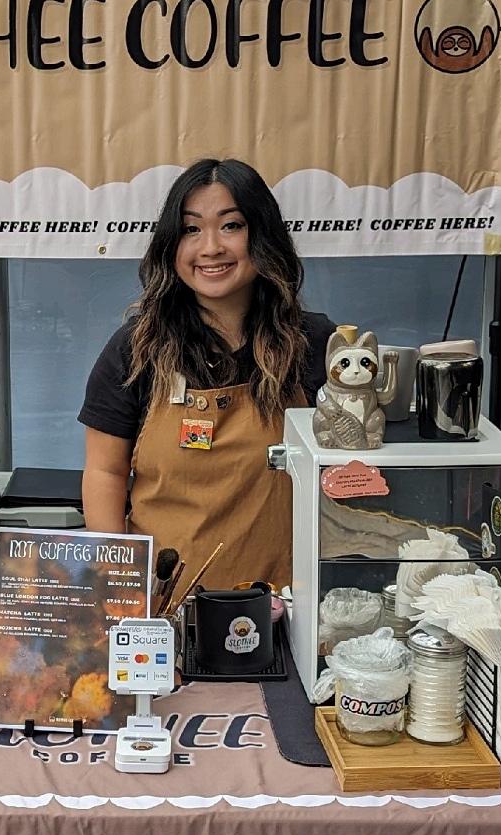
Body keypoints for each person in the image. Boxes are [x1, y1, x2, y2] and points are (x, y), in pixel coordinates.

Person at [80, 160, 332, 590]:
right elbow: (105, 472)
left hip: (284, 604)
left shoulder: (313, 343)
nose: (210, 247)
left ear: (262, 234)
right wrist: (118, 582)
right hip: (164, 606)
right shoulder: (136, 349)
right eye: (191, 229)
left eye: (231, 225)